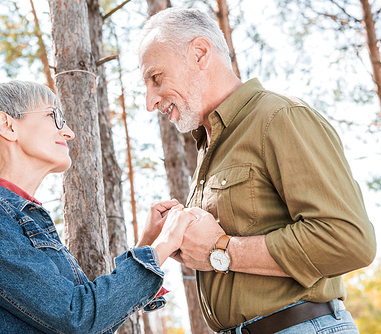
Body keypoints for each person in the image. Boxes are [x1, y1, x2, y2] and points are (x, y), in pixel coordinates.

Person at [138, 7, 377, 334]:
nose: (150, 101)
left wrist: (220, 249)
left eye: (155, 78)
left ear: (199, 54)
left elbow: (350, 240)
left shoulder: (278, 116)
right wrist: (177, 242)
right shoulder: (209, 147)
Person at [0, 80, 195, 333]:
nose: (68, 132)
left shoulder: (20, 219)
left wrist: (149, 245)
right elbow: (76, 318)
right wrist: (164, 245)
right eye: (54, 116)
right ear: (7, 126)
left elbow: (91, 319)